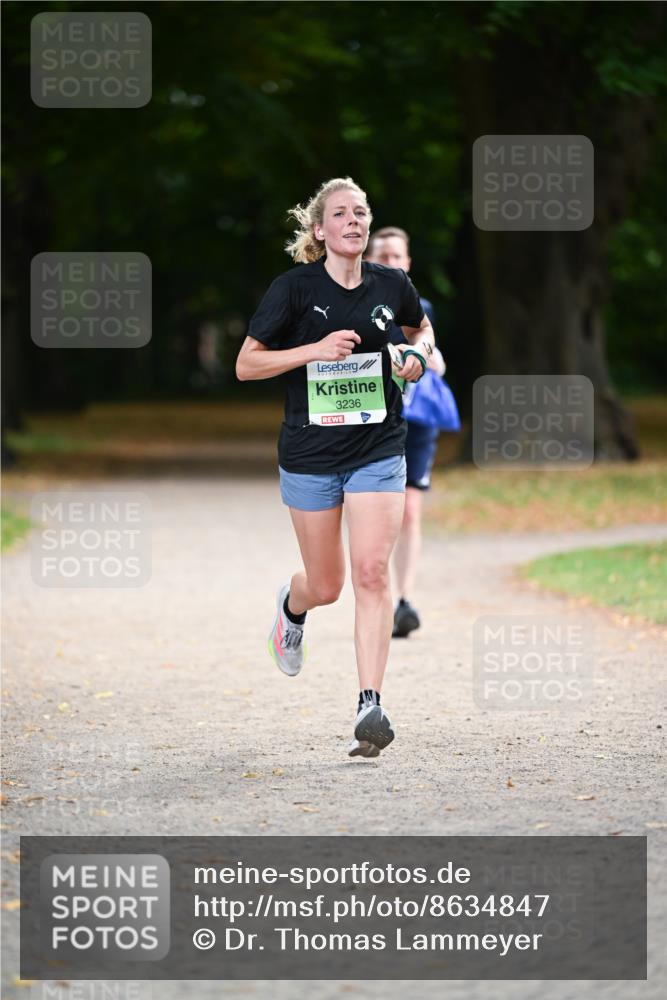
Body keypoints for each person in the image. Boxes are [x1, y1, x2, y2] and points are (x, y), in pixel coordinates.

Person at [236, 178, 435, 758]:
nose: (354, 220)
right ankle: (292, 607)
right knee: (328, 584)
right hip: (310, 453)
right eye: (341, 214)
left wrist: (415, 358)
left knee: (373, 574)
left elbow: (419, 329)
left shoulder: (392, 284)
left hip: (379, 447)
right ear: (320, 231)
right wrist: (312, 351)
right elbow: (247, 366)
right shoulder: (293, 290)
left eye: (362, 212)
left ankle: (369, 703)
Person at [366, 227, 458, 638]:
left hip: (414, 421)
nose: (389, 262)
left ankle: (403, 600)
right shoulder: (349, 307)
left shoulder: (419, 308)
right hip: (367, 420)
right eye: (381, 255)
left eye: (396, 256)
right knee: (374, 513)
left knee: (408, 510)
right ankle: (377, 595)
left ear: (408, 264)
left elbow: (429, 354)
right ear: (368, 260)